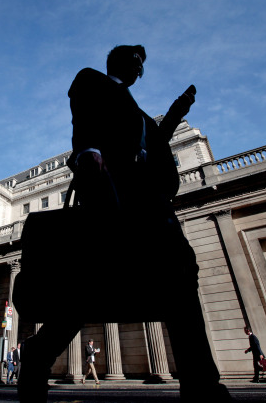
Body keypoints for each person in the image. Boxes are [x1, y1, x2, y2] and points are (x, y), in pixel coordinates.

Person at [17, 45, 230, 403]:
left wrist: (176, 116)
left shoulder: (142, 117)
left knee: (181, 278)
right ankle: (39, 353)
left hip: (153, 208)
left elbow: (156, 146)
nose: (139, 69)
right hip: (113, 203)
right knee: (90, 291)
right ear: (118, 62)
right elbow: (83, 114)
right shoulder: (92, 80)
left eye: (142, 65)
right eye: (135, 61)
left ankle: (201, 385)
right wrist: (88, 152)